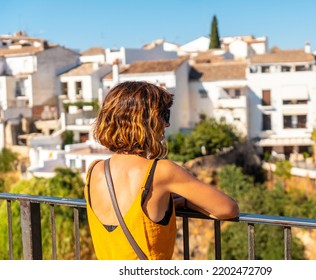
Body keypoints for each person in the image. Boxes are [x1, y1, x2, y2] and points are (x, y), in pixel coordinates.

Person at [84, 81, 239, 260]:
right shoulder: (161, 171)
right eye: (164, 115)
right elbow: (228, 209)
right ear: (147, 122)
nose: (167, 124)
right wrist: (184, 203)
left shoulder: (94, 171)